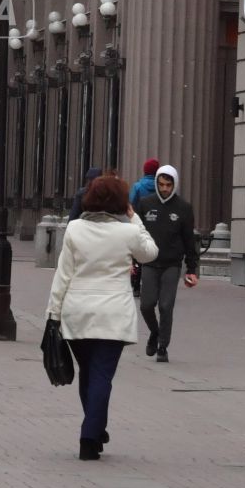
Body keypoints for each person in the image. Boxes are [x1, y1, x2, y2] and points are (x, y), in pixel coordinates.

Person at [46, 173, 160, 460]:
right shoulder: (128, 232)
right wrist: (135, 219)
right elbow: (151, 253)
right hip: (112, 313)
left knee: (89, 372)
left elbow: (63, 275)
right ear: (122, 202)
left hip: (78, 311)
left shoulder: (74, 229)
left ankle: (95, 428)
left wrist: (53, 314)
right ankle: (89, 435)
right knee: (102, 376)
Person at [136, 165, 198, 362]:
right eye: (161, 184)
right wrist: (130, 259)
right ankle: (154, 333)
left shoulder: (184, 208)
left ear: (174, 185)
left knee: (165, 305)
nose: (164, 189)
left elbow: (189, 241)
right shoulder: (145, 204)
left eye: (168, 185)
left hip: (172, 264)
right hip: (149, 263)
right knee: (146, 305)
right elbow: (135, 234)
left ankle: (163, 346)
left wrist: (192, 269)